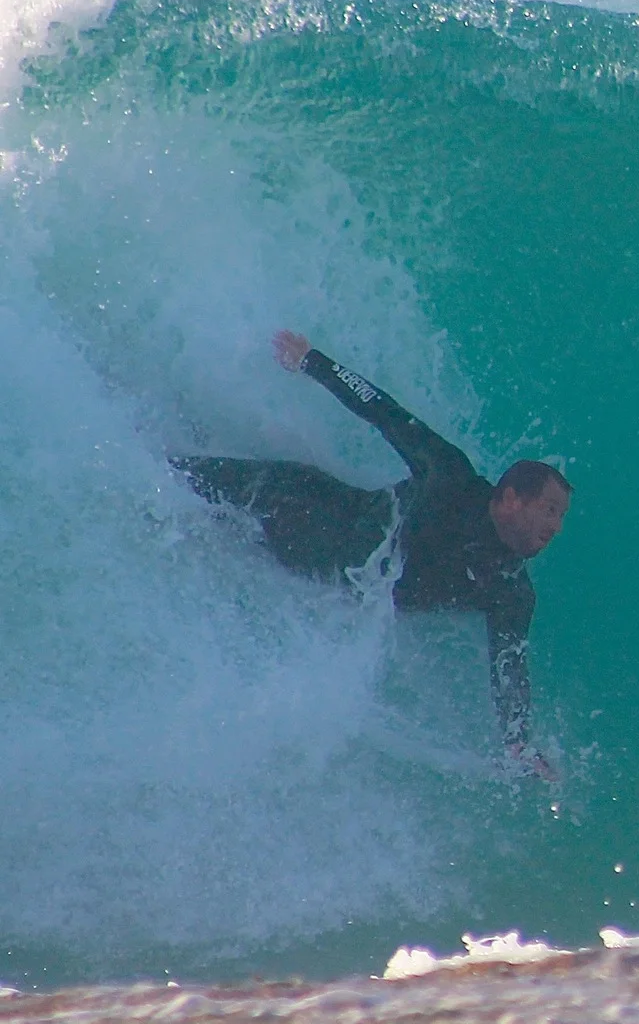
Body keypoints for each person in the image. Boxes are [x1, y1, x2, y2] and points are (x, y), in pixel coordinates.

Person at [171, 329, 571, 779]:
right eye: (550, 511)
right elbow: (386, 413)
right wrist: (313, 361)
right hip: (303, 504)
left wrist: (518, 744)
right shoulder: (452, 478)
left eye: (560, 518)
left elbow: (509, 664)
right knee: (167, 477)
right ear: (512, 498)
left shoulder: (510, 591)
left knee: (200, 524)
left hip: (313, 568)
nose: (556, 527)